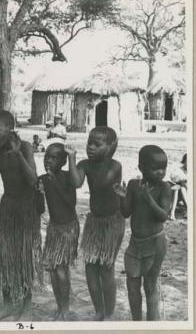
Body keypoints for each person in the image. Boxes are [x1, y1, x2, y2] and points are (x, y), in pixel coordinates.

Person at [0, 110, 43, 321]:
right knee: (6, 255)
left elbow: (33, 181)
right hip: (8, 205)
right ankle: (8, 304)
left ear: (10, 130)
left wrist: (18, 154)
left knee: (24, 256)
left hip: (27, 206)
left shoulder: (25, 147)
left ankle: (26, 306)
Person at [65, 126, 124, 321]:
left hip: (112, 222)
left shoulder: (115, 166)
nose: (90, 147)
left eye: (97, 144)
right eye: (89, 143)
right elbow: (75, 183)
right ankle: (99, 310)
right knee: (90, 267)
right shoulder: (85, 164)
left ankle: (109, 313)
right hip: (94, 222)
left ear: (110, 147)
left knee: (106, 268)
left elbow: (101, 184)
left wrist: (96, 163)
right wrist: (72, 160)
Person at [113, 145, 171, 321]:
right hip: (135, 245)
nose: (160, 172)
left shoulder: (164, 187)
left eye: (164, 168)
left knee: (151, 286)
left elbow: (163, 216)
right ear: (141, 168)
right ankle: (137, 322)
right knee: (132, 286)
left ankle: (153, 325)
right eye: (155, 168)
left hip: (155, 244)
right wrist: (122, 197)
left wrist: (149, 198)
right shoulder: (133, 184)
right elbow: (126, 213)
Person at [38, 143, 79, 321]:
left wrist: (54, 183)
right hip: (54, 228)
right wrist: (39, 191)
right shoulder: (43, 179)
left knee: (61, 269)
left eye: (54, 157)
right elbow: (40, 207)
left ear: (62, 161)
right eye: (46, 156)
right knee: (53, 270)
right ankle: (60, 305)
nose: (48, 160)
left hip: (68, 228)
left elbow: (71, 204)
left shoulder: (68, 177)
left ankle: (65, 308)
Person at [168, 153, 187, 220]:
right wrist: (183, 181)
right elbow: (173, 178)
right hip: (180, 193)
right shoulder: (179, 170)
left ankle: (187, 209)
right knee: (179, 187)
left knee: (181, 187)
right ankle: (172, 213)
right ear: (184, 161)